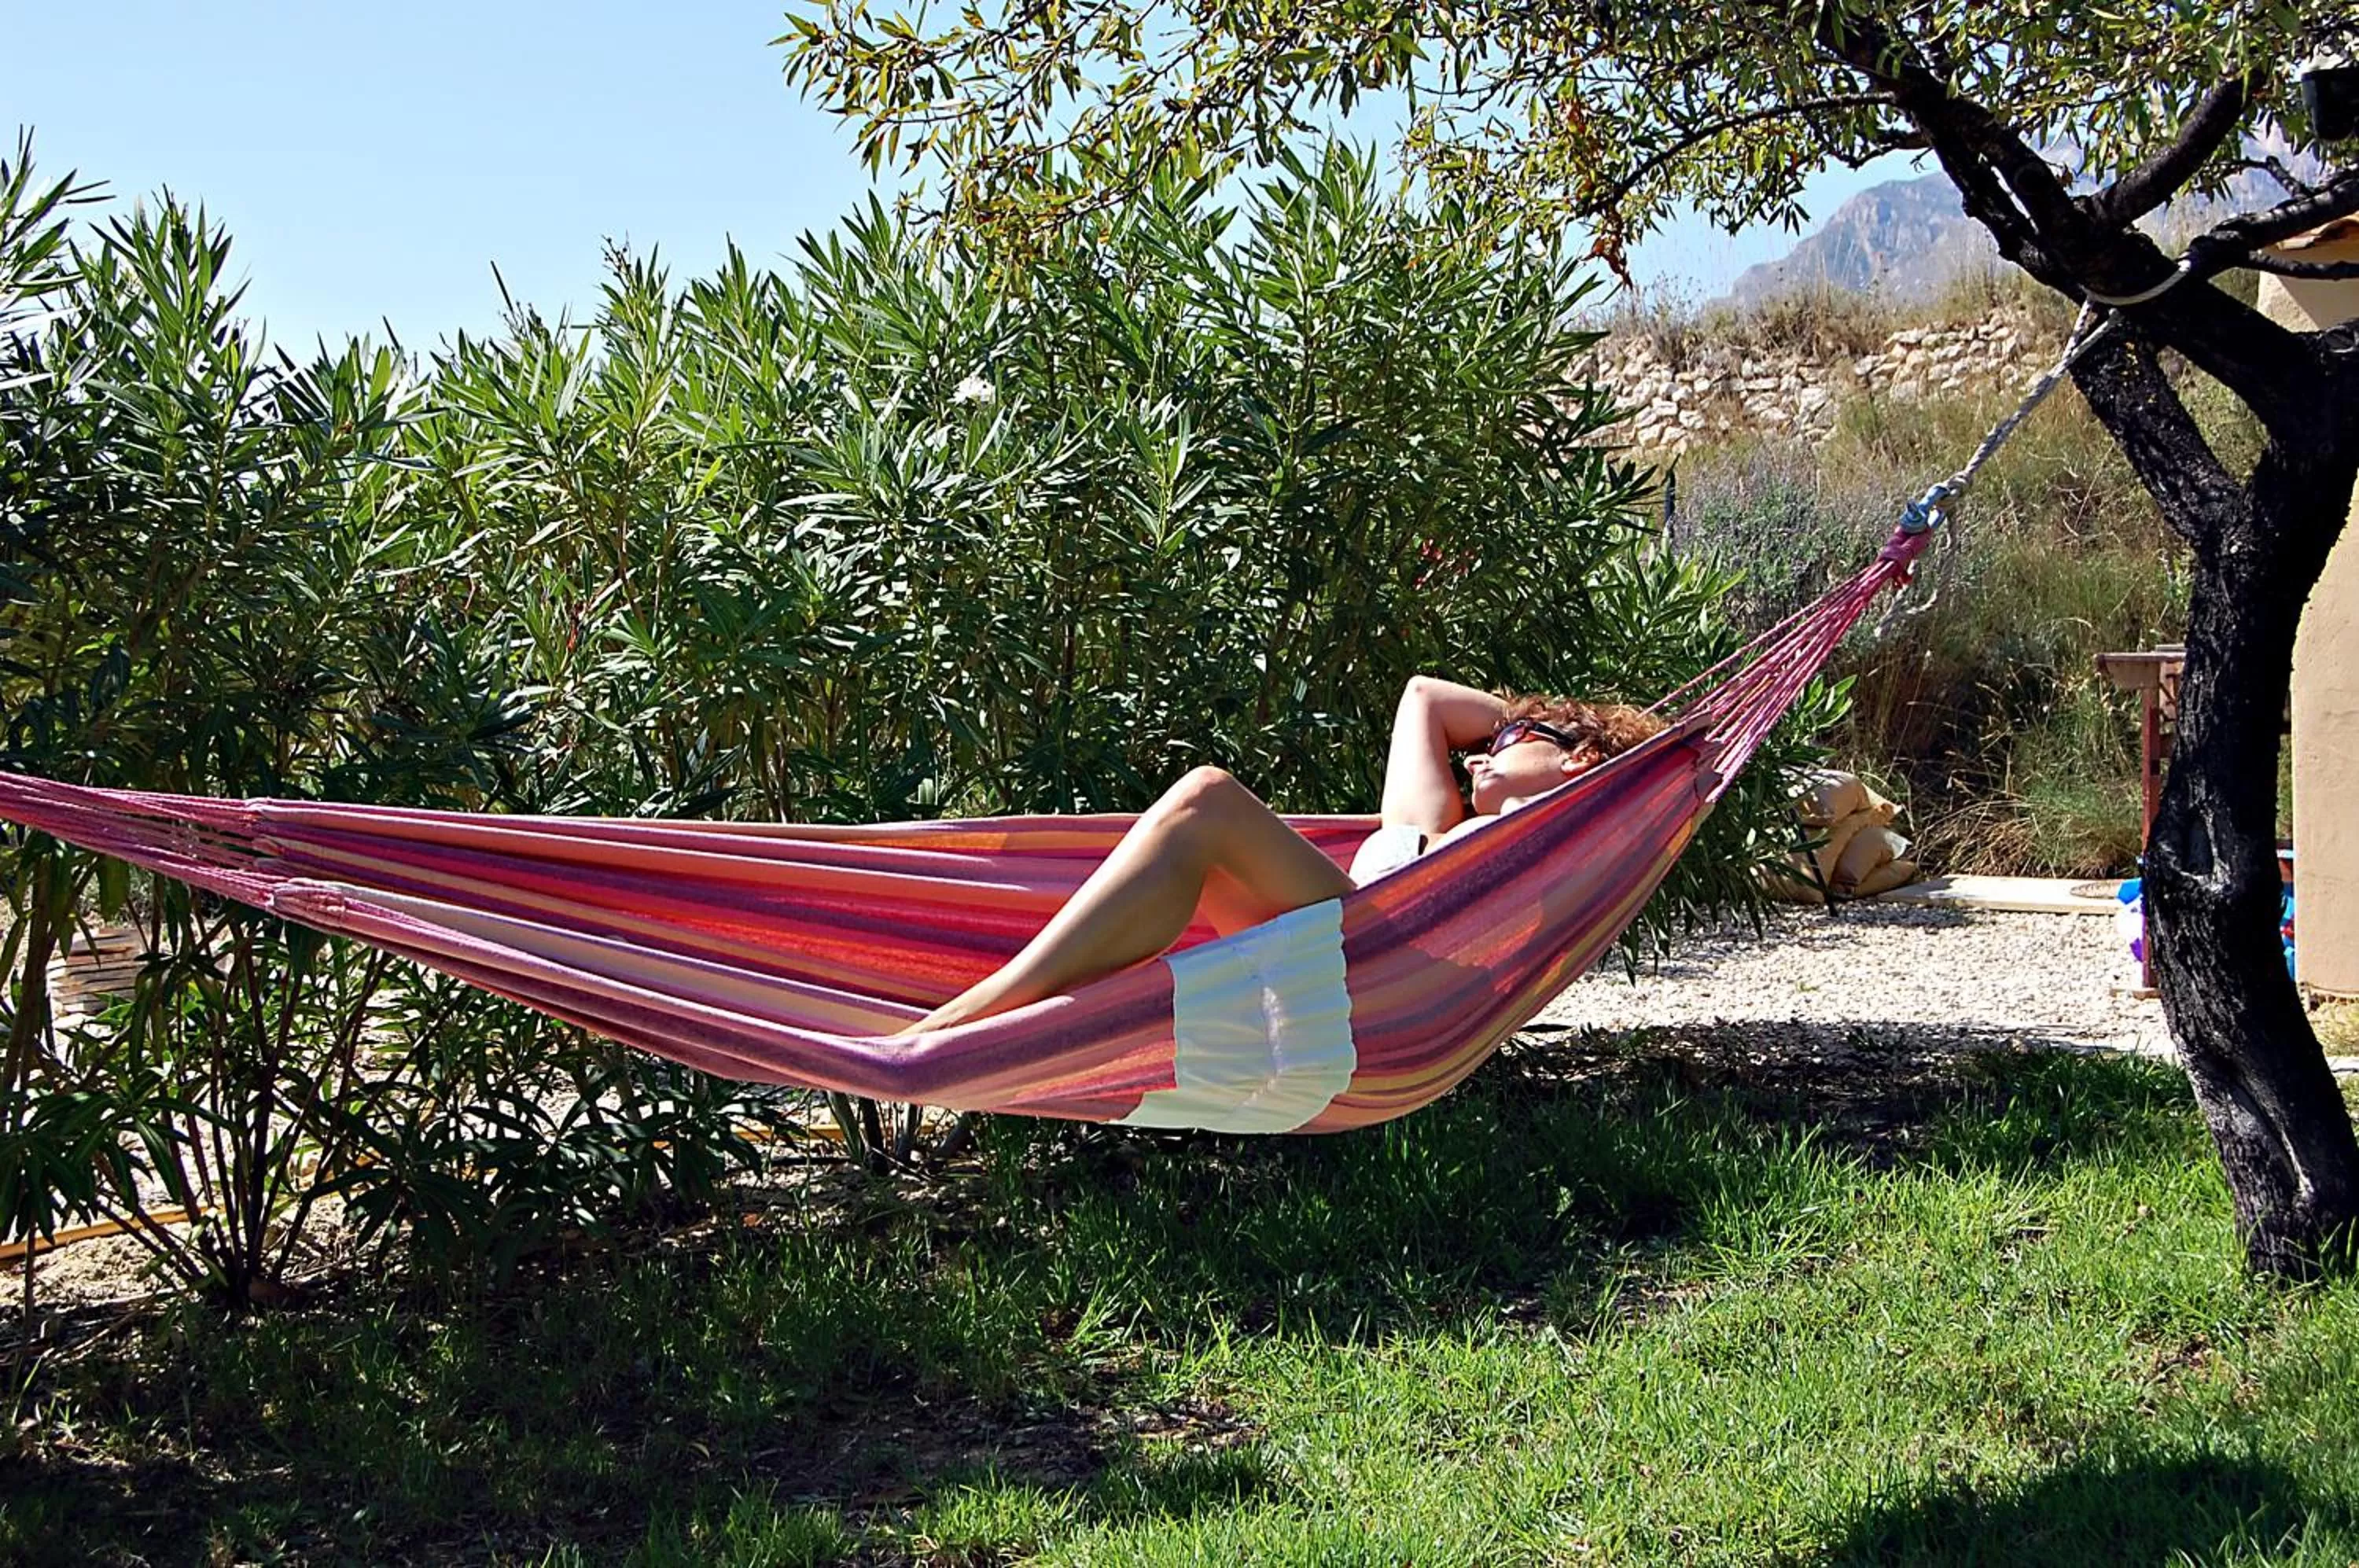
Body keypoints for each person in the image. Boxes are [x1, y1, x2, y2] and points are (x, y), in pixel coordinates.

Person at [902, 675, 1665, 1034]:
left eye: (1502, 744)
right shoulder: (1430, 825)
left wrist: (1579, 743)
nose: (1478, 755)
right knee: (1176, 854)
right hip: (1333, 955)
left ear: (1581, 761)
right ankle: (1015, 1021)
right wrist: (1532, 723)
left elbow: (1621, 800)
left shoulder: (1554, 848)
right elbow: (1423, 698)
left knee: (1207, 797)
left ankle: (971, 1016)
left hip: (1384, 982)